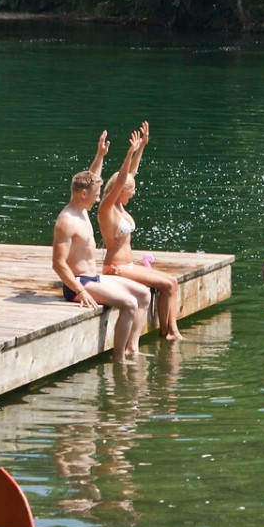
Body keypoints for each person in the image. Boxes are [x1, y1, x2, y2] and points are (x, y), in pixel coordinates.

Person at [52, 130, 151, 361]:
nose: (98, 200)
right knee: (128, 303)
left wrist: (100, 155)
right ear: (84, 193)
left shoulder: (82, 210)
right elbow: (58, 264)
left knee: (143, 294)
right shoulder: (67, 221)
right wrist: (81, 291)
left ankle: (132, 349)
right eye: (95, 195)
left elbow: (92, 175)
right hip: (78, 283)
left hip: (93, 278)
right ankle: (119, 360)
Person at [99, 121, 184, 340]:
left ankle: (171, 331)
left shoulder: (121, 207)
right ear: (119, 191)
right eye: (131, 190)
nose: (134, 193)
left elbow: (130, 174)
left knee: (172, 282)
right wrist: (129, 153)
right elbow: (121, 181)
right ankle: (169, 332)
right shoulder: (107, 210)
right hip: (115, 268)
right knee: (166, 284)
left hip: (128, 265)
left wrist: (143, 145)